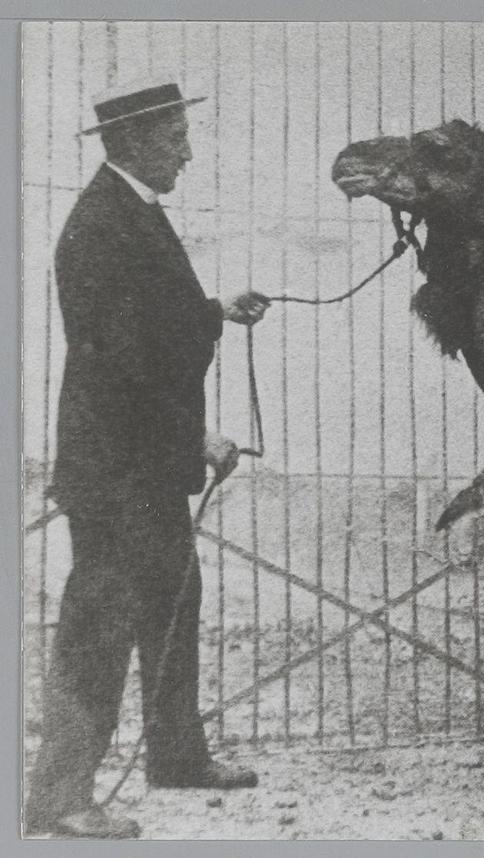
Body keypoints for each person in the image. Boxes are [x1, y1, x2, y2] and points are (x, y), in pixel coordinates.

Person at [24, 77, 271, 839]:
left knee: (173, 599)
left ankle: (176, 755)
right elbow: (124, 360)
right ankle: (60, 796)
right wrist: (193, 439)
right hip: (116, 470)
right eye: (175, 138)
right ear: (131, 141)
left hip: (143, 464)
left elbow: (155, 321)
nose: (187, 153)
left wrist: (214, 310)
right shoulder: (101, 224)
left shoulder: (131, 211)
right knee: (99, 624)